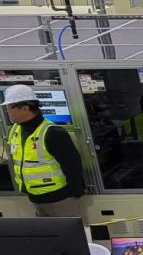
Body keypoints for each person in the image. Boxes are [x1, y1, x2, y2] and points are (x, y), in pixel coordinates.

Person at [4, 83, 86, 217]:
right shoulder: (15, 130)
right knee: (47, 236)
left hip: (60, 199)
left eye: (9, 107)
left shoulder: (52, 133)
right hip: (34, 198)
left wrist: (75, 193)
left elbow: (72, 165)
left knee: (69, 235)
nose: (7, 111)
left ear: (25, 108)